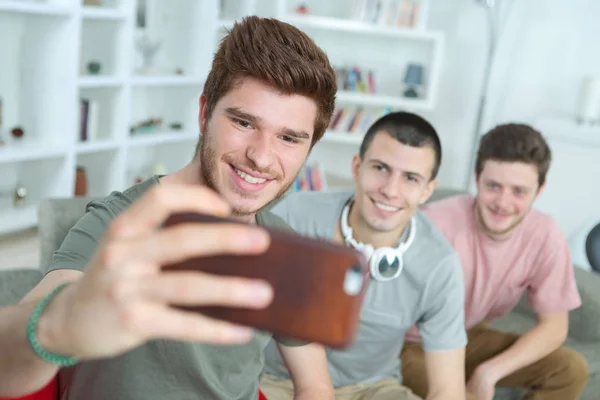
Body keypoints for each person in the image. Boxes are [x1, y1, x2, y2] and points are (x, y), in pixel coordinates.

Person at [0, 16, 338, 400]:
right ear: (204, 113)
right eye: (244, 122)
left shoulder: (283, 245)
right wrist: (58, 326)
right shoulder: (117, 224)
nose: (262, 157)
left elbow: (315, 384)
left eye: (289, 138)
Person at [259, 111, 468, 400]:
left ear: (427, 190)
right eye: (380, 168)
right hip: (276, 379)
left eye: (410, 178)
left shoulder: (439, 265)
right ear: (357, 167)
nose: (390, 190)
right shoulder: (293, 216)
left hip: (373, 389)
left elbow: (448, 391)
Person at [401, 123, 589, 400]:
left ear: (539, 190)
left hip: (468, 337)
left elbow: (554, 326)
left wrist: (490, 371)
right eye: (493, 186)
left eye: (519, 191)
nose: (503, 202)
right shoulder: (432, 224)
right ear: (477, 178)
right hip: (412, 344)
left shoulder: (545, 234)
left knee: (570, 369)